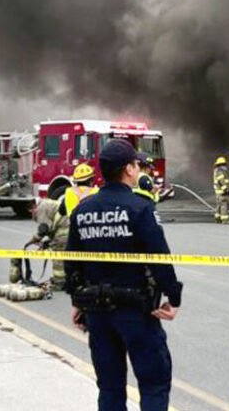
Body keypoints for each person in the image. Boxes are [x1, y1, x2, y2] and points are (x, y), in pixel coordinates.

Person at [66, 138, 182, 411]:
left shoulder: (82, 210)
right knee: (154, 384)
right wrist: (173, 297)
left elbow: (72, 262)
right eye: (136, 164)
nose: (139, 168)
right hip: (136, 311)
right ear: (129, 169)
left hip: (97, 312)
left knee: (109, 388)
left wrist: (77, 301)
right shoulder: (140, 208)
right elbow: (159, 257)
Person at [212, 156, 229, 225]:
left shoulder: (216, 171)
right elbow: (222, 182)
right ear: (220, 165)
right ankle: (225, 220)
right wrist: (226, 190)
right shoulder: (220, 172)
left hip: (218, 192)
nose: (225, 166)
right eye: (223, 164)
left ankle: (218, 218)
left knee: (219, 205)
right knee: (224, 205)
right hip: (222, 192)